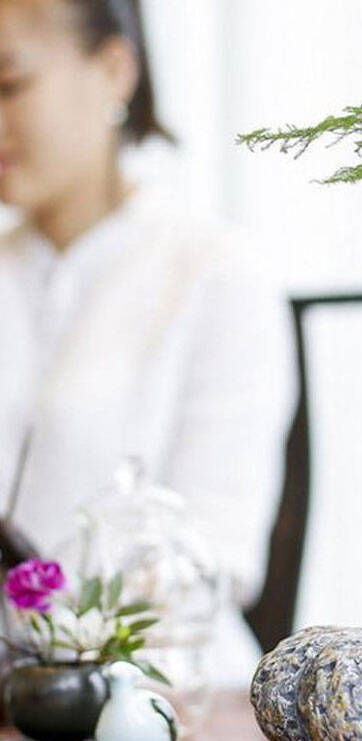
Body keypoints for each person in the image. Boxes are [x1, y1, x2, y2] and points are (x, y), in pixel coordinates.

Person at [0, 0, 295, 684]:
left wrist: (60, 643)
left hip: (171, 700)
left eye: (11, 85)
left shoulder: (213, 269)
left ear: (113, 69)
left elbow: (219, 551)